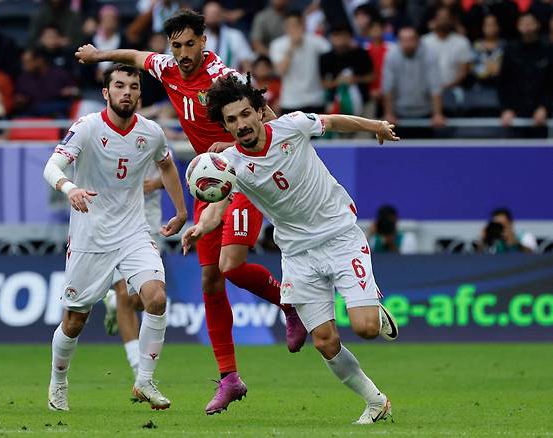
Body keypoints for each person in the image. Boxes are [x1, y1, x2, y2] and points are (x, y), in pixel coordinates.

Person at [75, 9, 308, 415]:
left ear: (204, 41)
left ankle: (289, 302)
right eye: (176, 45)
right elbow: (136, 56)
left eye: (189, 44)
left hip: (242, 174)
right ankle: (230, 378)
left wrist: (276, 146)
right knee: (210, 281)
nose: (182, 53)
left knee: (232, 266)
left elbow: (262, 114)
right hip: (207, 180)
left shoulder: (222, 76)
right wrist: (99, 56)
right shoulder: (167, 68)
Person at [182, 74, 399, 424]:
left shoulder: (291, 127)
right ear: (225, 126)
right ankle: (376, 402)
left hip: (340, 236)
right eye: (232, 120)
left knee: (366, 329)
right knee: (325, 342)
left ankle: (371, 304)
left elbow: (335, 121)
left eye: (245, 114)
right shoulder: (233, 165)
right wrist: (201, 226)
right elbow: (218, 206)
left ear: (257, 112)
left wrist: (375, 125)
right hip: (298, 255)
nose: (241, 124)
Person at [42, 63, 188, 411]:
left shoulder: (151, 132)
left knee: (155, 298)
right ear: (106, 93)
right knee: (74, 320)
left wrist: (181, 211)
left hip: (134, 232)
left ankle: (145, 381)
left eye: (133, 87)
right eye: (119, 86)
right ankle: (59, 380)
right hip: (90, 235)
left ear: (139, 93)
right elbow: (52, 166)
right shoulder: (88, 128)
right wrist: (70, 187)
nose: (127, 92)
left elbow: (167, 164)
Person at [102, 159, 167, 378]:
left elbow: (178, 176)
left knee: (143, 300)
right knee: (125, 295)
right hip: (114, 228)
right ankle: (138, 369)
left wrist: (156, 184)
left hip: (148, 226)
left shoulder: (155, 136)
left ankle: (112, 303)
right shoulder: (103, 137)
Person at [269, 11, 331, 114]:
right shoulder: (277, 45)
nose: (293, 28)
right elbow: (280, 71)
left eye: (296, 25)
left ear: (303, 25)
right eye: (290, 25)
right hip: (290, 101)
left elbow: (331, 59)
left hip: (316, 100)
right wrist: (292, 47)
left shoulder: (317, 41)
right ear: (285, 26)